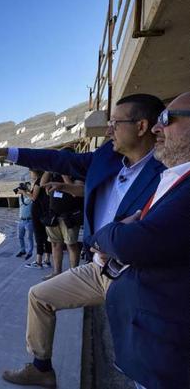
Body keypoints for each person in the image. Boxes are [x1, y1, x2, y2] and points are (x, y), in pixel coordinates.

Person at [0, 93, 166, 387]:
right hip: (99, 267)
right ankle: (41, 368)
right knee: (39, 296)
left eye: (115, 123)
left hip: (137, 277)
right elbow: (58, 158)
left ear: (141, 127)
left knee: (143, 364)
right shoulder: (107, 157)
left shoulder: (165, 171)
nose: (108, 130)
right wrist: (5, 152)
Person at [89, 92, 190, 388]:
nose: (160, 128)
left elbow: (134, 242)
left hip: (168, 355)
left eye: (167, 120)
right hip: (151, 344)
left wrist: (105, 235)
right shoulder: (173, 177)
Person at [42, 169, 84, 280]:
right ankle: (57, 272)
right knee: (55, 244)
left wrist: (64, 174)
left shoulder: (77, 174)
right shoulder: (54, 173)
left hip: (69, 217)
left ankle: (73, 274)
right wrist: (48, 169)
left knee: (71, 244)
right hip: (54, 216)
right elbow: (42, 184)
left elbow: (75, 192)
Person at [24, 170, 52, 269]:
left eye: (30, 171)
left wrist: (23, 192)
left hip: (37, 213)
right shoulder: (46, 179)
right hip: (45, 211)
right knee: (47, 237)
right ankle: (47, 260)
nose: (30, 174)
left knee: (39, 237)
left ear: (35, 172)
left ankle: (38, 261)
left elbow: (34, 197)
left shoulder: (38, 181)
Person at [15, 181, 34, 259]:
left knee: (29, 238)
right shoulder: (21, 196)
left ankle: (30, 252)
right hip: (21, 220)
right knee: (20, 236)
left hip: (29, 221)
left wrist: (24, 192)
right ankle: (23, 250)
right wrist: (21, 192)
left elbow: (31, 197)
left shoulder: (30, 196)